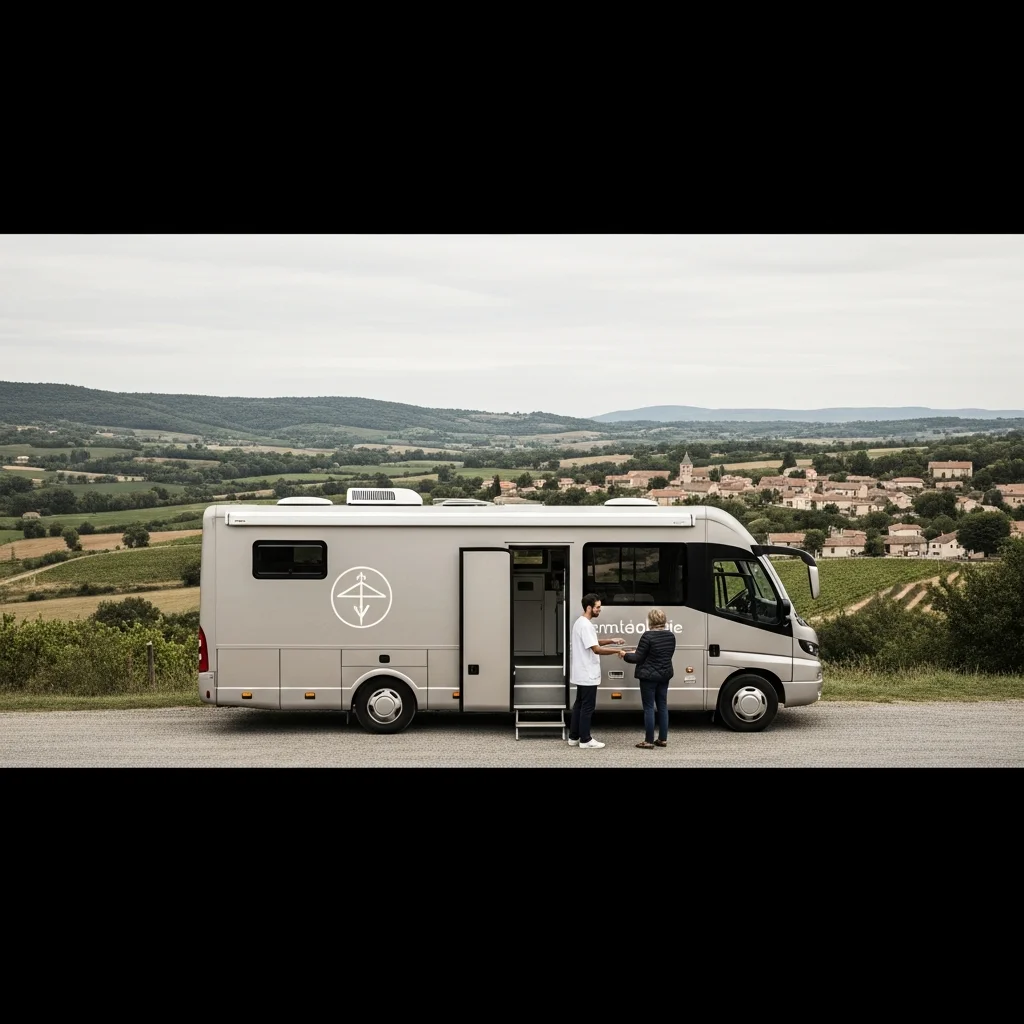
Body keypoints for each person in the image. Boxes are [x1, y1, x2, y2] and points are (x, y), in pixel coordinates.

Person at [567, 593, 624, 749]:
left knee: (579, 705)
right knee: (587, 707)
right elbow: (596, 649)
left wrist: (611, 640)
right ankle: (585, 740)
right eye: (597, 607)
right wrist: (617, 651)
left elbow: (593, 641)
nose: (600, 610)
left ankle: (573, 737)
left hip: (581, 672)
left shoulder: (580, 623)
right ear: (589, 608)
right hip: (588, 673)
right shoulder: (586, 625)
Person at [619, 608, 676, 748]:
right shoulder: (670, 636)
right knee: (662, 706)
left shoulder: (647, 636)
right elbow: (659, 654)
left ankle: (649, 741)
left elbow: (638, 658)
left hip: (648, 678)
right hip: (664, 675)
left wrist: (625, 655)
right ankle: (662, 739)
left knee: (649, 707)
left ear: (650, 620)